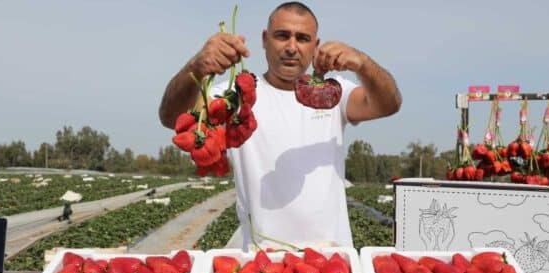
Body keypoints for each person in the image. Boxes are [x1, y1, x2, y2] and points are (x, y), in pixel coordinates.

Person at [159, 2, 401, 250]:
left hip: (332, 257)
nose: (291, 47)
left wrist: (363, 63)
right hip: (263, 261)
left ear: (316, 46)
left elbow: (389, 103)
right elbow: (171, 117)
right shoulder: (236, 95)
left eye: (303, 38)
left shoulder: (330, 94)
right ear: (265, 40)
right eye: (282, 36)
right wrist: (196, 67)